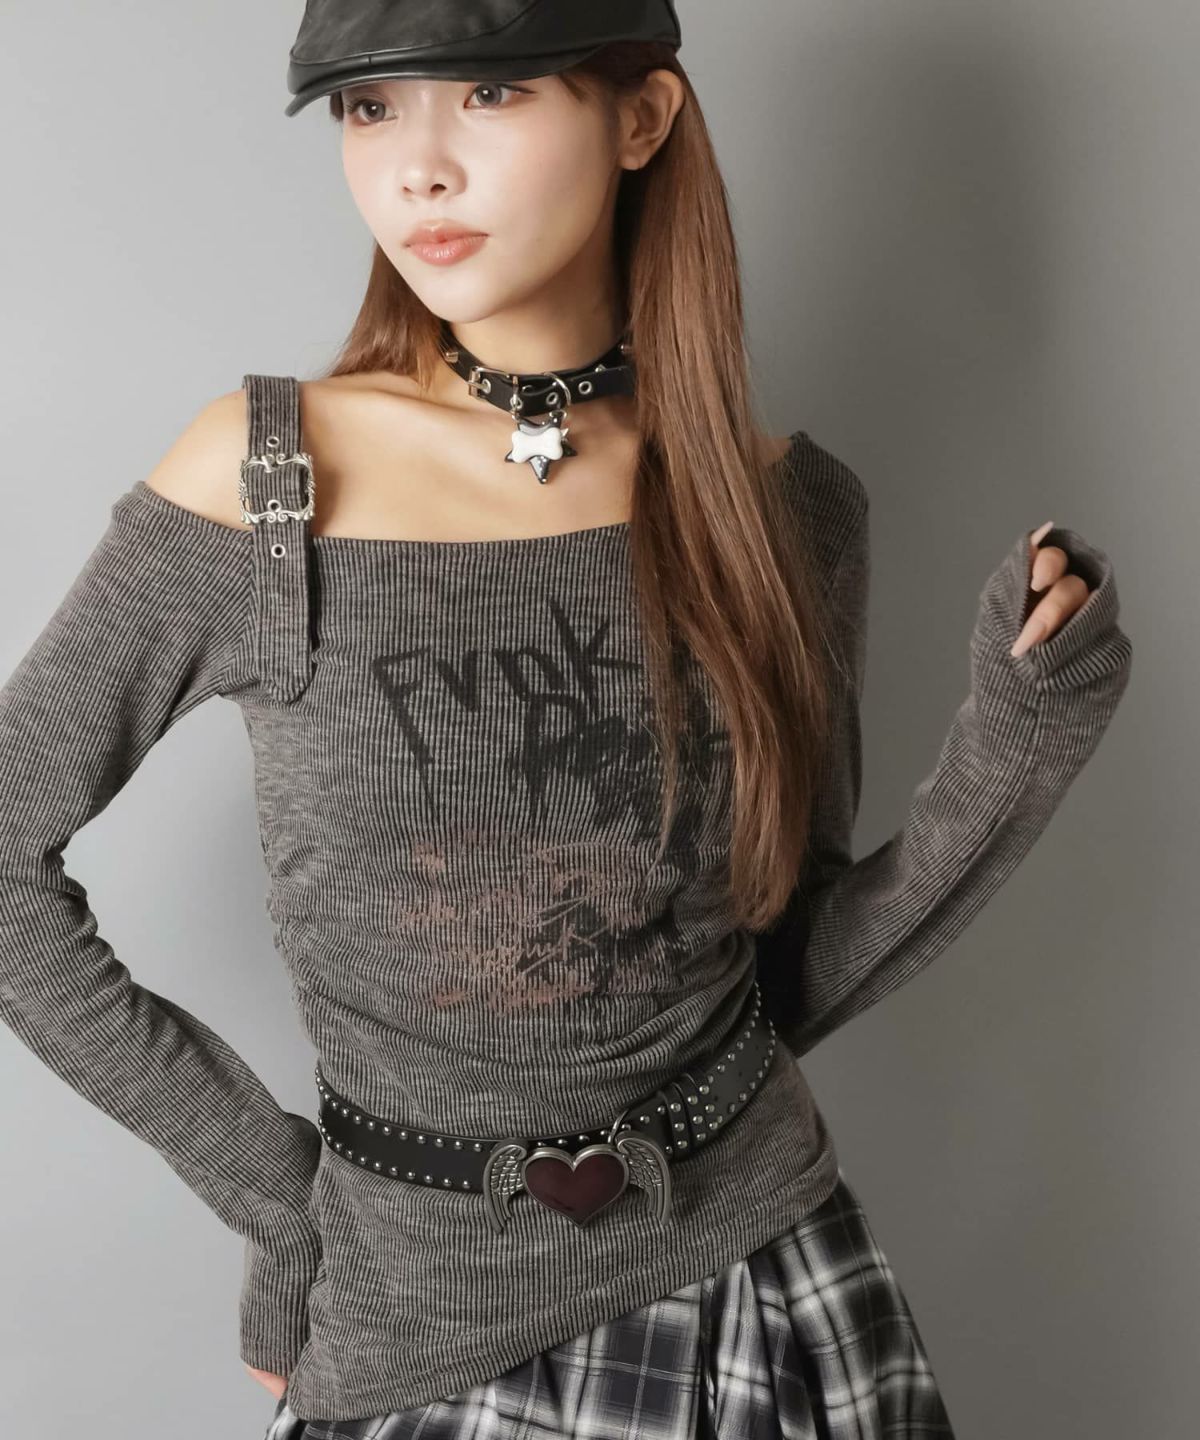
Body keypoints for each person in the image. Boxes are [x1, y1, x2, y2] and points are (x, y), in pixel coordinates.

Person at [0, 3, 1133, 1437]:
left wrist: (1020, 751)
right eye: (369, 108)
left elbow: (779, 963)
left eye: (491, 94)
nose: (418, 165)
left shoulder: (784, 509)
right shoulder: (271, 483)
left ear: (641, 118)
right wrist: (287, 1204)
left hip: (760, 1280)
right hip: (418, 1328)